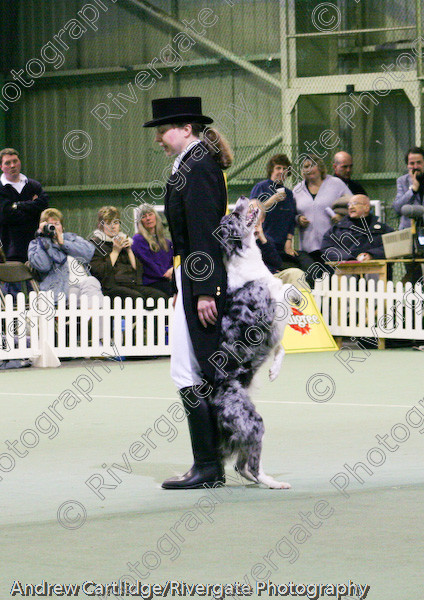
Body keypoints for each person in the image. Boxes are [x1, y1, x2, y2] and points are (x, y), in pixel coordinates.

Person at [143, 96, 233, 489]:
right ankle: (209, 464)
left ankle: (209, 466)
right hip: (192, 279)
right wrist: (187, 285)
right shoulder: (191, 164)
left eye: (162, 131)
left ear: (185, 129)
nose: (159, 139)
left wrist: (205, 290)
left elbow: (203, 233)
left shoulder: (196, 166)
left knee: (192, 370)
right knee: (192, 369)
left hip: (202, 280)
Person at [293, 155, 352, 284]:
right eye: (306, 166)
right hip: (308, 247)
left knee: (333, 280)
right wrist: (298, 219)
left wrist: (340, 215)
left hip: (333, 244)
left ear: (320, 167)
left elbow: (352, 203)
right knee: (314, 281)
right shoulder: (297, 189)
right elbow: (291, 214)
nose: (309, 169)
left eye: (312, 165)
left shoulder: (336, 183)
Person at [89, 206, 167, 303]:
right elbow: (100, 272)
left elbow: (138, 269)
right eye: (108, 223)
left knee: (159, 296)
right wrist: (116, 251)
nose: (113, 226)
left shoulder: (123, 240)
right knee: (137, 299)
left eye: (116, 223)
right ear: (101, 225)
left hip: (130, 284)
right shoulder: (95, 244)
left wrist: (129, 250)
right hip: (110, 287)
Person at [27, 208, 103, 305]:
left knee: (91, 282)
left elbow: (88, 253)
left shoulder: (71, 238)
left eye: (56, 224)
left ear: (62, 227)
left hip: (85, 285)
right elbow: (43, 266)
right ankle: (92, 318)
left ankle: (91, 317)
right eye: (50, 225)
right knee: (95, 298)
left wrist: (63, 243)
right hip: (62, 291)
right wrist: (43, 239)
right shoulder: (36, 244)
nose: (53, 227)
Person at [0, 148, 49, 262]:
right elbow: (5, 216)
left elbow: (44, 206)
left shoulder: (33, 185)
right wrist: (32, 207)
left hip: (38, 247)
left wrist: (17, 206)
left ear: (20, 162)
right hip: (11, 251)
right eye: (7, 163)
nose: (13, 165)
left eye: (15, 161)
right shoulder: (1, 189)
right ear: (1, 167)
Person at [249, 153, 298, 261]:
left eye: (285, 169)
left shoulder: (289, 194)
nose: (281, 171)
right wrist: (271, 200)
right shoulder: (261, 187)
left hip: (281, 245)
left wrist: (288, 242)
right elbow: (252, 212)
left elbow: (291, 220)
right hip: (263, 243)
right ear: (272, 170)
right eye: (278, 168)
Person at [250, 199, 305, 287]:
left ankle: (303, 301)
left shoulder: (267, 239)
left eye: (257, 212)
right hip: (249, 279)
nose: (253, 215)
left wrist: (263, 240)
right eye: (249, 211)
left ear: (262, 219)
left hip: (270, 278)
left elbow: (276, 263)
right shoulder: (235, 236)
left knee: (296, 274)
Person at [321, 195, 393, 261]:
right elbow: (327, 248)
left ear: (366, 207)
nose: (350, 207)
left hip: (377, 271)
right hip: (346, 271)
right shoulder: (337, 229)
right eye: (349, 205)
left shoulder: (383, 230)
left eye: (355, 203)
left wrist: (372, 255)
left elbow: (393, 246)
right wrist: (349, 259)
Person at [131, 204, 174, 298]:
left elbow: (174, 259)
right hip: (151, 282)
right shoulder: (138, 240)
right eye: (143, 216)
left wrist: (172, 270)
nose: (148, 218)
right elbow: (148, 263)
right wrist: (164, 273)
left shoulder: (166, 242)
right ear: (140, 221)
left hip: (168, 279)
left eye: (150, 214)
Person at [393, 146, 424, 229]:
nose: (416, 167)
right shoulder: (402, 181)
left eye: (419, 162)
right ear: (407, 165)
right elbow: (397, 207)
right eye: (412, 163)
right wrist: (413, 190)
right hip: (408, 229)